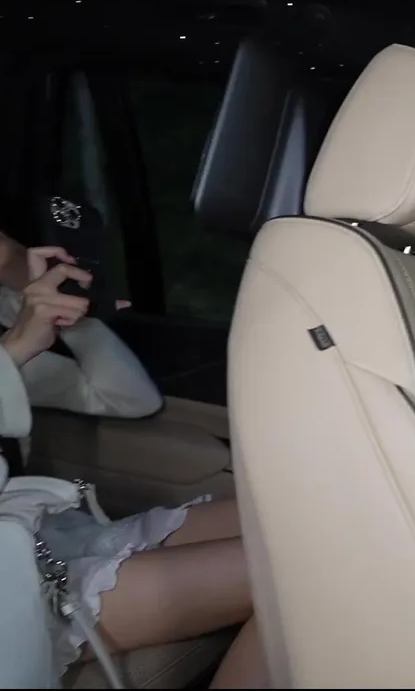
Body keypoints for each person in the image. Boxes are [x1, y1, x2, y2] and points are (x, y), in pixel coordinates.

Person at [0, 242, 266, 688]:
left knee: (305, 523)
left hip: (45, 540)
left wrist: (44, 296)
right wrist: (12, 351)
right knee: (309, 572)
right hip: (14, 593)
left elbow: (126, 398)